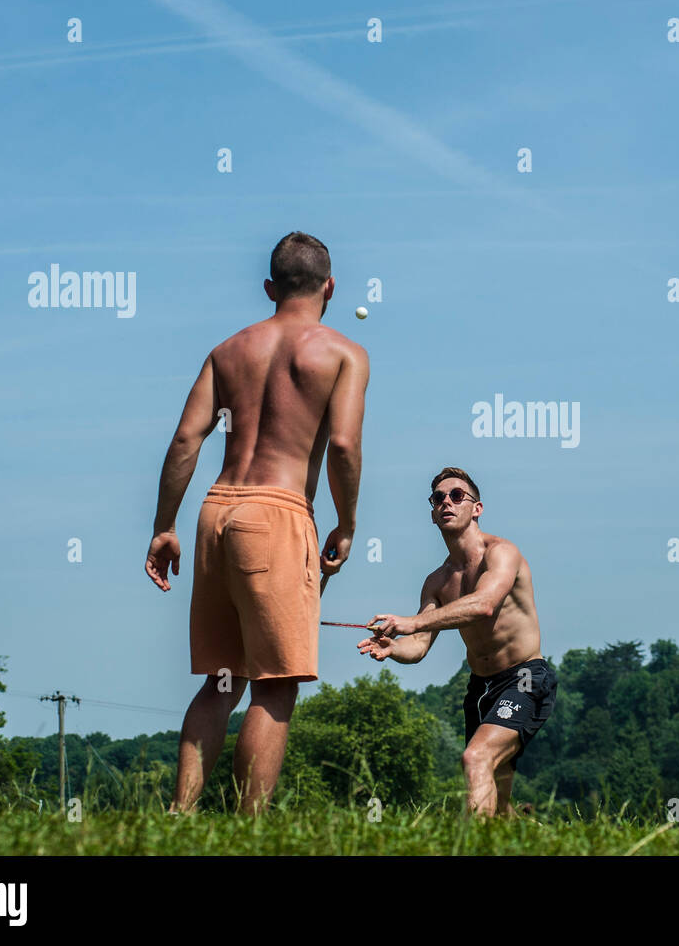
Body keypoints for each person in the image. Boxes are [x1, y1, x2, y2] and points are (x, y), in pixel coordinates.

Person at [144, 232, 369, 815]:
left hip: (215, 512)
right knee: (276, 682)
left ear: (270, 287)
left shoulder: (227, 351)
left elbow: (185, 439)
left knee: (223, 678)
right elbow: (343, 445)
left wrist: (163, 525)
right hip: (278, 512)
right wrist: (346, 523)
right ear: (331, 286)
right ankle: (250, 829)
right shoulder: (342, 353)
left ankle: (179, 815)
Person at [359, 468, 555, 817]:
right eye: (438, 498)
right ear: (432, 514)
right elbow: (418, 646)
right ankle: (530, 835)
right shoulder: (437, 581)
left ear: (476, 508)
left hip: (525, 678)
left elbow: (483, 605)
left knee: (475, 757)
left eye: (456, 495)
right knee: (497, 790)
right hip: (480, 689)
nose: (446, 502)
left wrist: (413, 622)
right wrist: (393, 649)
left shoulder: (502, 553)